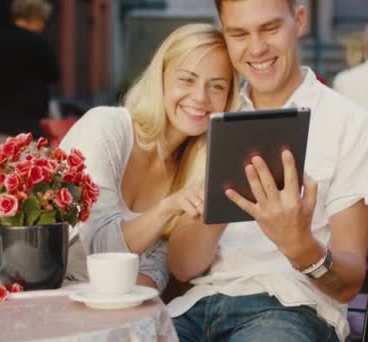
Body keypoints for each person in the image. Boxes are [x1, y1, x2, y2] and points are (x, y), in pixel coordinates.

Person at [167, 1, 368, 341]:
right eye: (239, 33)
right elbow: (182, 266)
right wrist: (222, 195)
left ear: (298, 21)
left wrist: (300, 246)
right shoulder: (210, 115)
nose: (256, 48)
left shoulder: (349, 122)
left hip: (293, 309)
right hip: (198, 304)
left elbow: (348, 285)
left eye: (270, 28)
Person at [59, 23, 240, 292]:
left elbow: (154, 274)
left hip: (109, 312)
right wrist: (168, 208)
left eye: (217, 86)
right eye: (187, 79)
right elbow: (100, 248)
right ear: (161, 78)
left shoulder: (198, 172)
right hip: (35, 299)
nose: (200, 97)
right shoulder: (106, 128)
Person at [0, 0, 60, 137]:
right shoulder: (38, 43)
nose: (43, 25)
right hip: (29, 114)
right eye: (42, 20)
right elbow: (54, 74)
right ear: (34, 18)